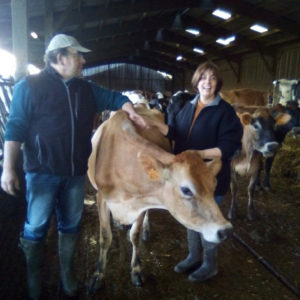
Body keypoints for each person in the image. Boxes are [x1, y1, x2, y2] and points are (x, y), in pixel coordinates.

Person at [0, 33, 148, 299]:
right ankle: (34, 280)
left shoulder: (85, 89)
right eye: (77, 55)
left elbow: (116, 98)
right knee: (37, 225)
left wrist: (132, 110)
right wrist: (9, 168)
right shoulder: (29, 86)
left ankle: (67, 275)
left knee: (71, 224)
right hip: (42, 173)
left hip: (75, 174)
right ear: (60, 58)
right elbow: (15, 128)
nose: (83, 59)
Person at [149, 61, 243, 282]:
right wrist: (154, 126)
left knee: (210, 217)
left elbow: (230, 147)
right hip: (188, 177)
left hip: (210, 177)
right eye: (202, 78)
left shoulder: (225, 111)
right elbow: (178, 133)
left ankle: (210, 265)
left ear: (217, 83)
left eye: (211, 78)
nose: (207, 82)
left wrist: (198, 154)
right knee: (192, 215)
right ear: (196, 82)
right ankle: (193, 256)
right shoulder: (189, 106)